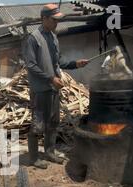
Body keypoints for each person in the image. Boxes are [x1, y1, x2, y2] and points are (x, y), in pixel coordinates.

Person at [24, 4, 89, 169]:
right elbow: (31, 65)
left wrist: (75, 64)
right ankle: (33, 158)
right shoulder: (33, 38)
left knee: (53, 122)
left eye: (57, 20)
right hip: (40, 91)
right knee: (38, 125)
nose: (56, 23)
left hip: (53, 90)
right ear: (44, 18)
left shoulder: (53, 38)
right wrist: (50, 78)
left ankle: (49, 152)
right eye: (54, 20)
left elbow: (59, 62)